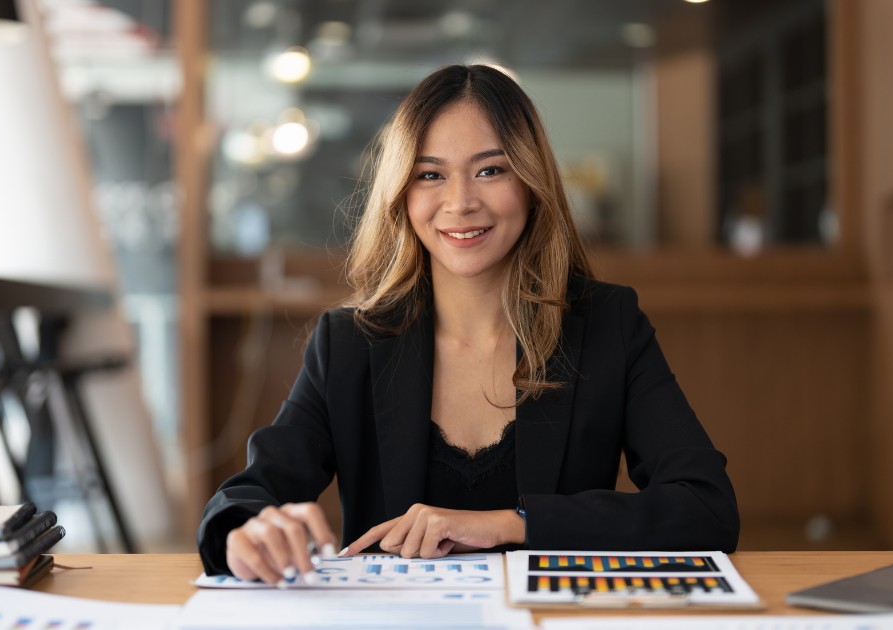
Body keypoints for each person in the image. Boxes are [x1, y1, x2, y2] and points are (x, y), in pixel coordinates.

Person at [197, 64, 739, 584]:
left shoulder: (607, 325)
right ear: (402, 196)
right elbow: (250, 496)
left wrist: (513, 525)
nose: (459, 202)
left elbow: (706, 507)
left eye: (490, 169)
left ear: (530, 182)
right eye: (430, 175)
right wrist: (246, 532)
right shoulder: (348, 344)